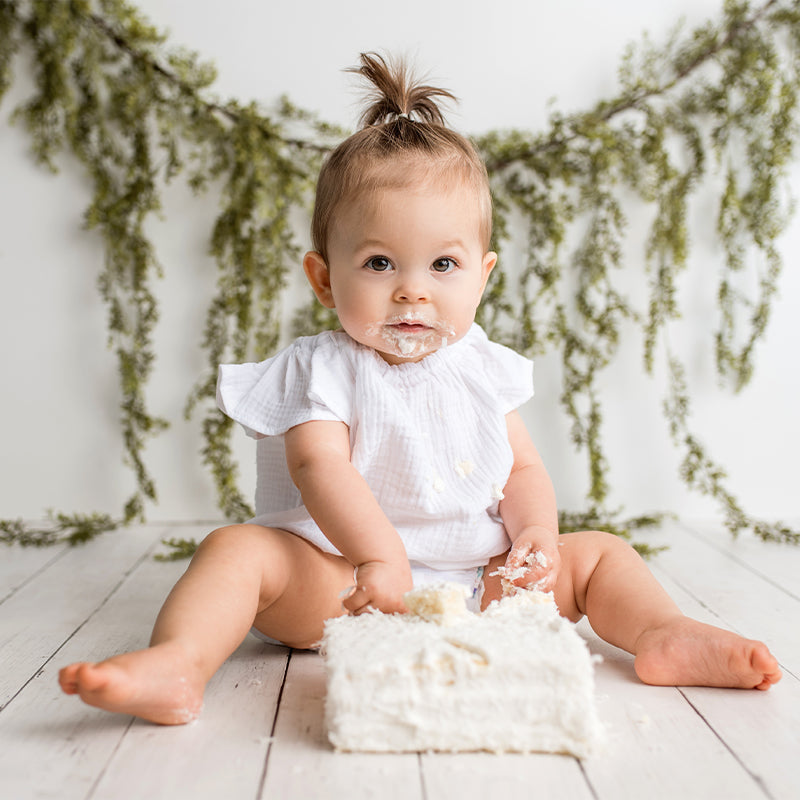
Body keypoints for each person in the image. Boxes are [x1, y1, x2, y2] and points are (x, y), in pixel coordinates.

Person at [59, 53, 781, 725]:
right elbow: (319, 467)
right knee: (235, 552)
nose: (412, 291)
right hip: (344, 584)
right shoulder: (323, 366)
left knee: (601, 556)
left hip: (480, 577)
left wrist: (533, 534)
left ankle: (662, 633)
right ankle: (180, 663)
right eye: (378, 263)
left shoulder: (483, 364)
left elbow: (522, 468)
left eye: (442, 264)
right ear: (322, 278)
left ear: (483, 275)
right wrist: (379, 559)